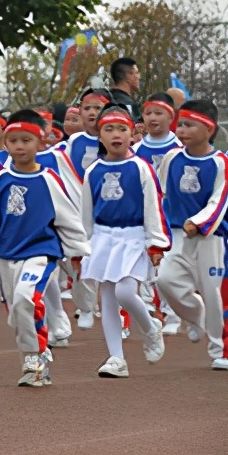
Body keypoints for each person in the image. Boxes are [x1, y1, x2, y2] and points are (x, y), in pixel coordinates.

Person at [0, 110, 90, 387]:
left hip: (41, 253)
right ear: (6, 144)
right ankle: (34, 355)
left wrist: (78, 253)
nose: (20, 146)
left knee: (26, 298)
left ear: (39, 143)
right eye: (14, 140)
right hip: (7, 254)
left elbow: (68, 218)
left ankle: (35, 358)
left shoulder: (49, 180)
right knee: (17, 311)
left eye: (26, 140)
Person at [79, 105, 168, 378]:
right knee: (106, 297)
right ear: (100, 136)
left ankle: (151, 327)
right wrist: (81, 246)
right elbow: (86, 213)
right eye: (109, 129)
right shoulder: (92, 171)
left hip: (133, 237)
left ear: (132, 133)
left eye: (122, 129)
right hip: (103, 238)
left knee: (125, 292)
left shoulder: (140, 168)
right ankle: (116, 358)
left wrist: (155, 242)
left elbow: (153, 206)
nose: (116, 134)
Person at [155, 99, 228, 371]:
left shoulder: (220, 162)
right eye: (181, 124)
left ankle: (219, 351)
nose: (182, 130)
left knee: (213, 293)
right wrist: (161, 229)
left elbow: (219, 201)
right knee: (165, 280)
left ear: (209, 129)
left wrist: (198, 222)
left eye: (190, 125)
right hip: (177, 235)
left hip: (211, 239)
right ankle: (195, 315)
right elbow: (163, 193)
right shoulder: (172, 158)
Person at [132, 92, 184, 334]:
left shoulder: (180, 148)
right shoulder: (136, 149)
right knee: (144, 267)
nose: (152, 118)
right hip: (142, 217)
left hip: (172, 219)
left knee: (166, 268)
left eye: (158, 113)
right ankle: (150, 309)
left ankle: (172, 314)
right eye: (148, 113)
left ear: (170, 116)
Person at [63, 87, 113, 329]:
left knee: (112, 261)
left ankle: (118, 312)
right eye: (87, 108)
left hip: (109, 208)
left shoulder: (116, 138)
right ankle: (85, 306)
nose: (93, 112)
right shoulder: (75, 141)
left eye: (98, 107)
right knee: (79, 255)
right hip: (79, 208)